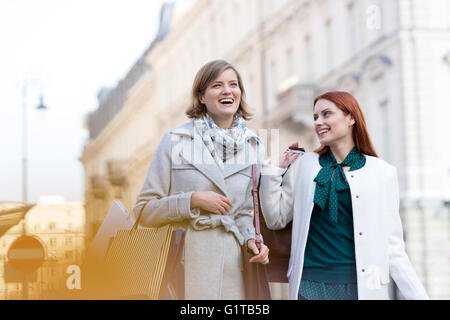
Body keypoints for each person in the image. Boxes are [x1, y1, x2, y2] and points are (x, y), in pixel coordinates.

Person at [259, 91, 429, 300]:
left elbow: (393, 247)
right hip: (310, 285)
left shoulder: (382, 172)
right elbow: (276, 219)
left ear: (351, 118)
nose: (318, 122)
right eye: (315, 117)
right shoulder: (304, 165)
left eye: (326, 114)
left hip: (362, 287)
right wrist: (272, 171)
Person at [132, 59, 269, 300]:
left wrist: (251, 239)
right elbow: (143, 210)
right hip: (184, 268)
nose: (227, 90)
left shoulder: (253, 145)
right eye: (217, 85)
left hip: (233, 271)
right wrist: (192, 200)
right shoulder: (175, 141)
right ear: (202, 97)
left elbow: (245, 212)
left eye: (233, 84)